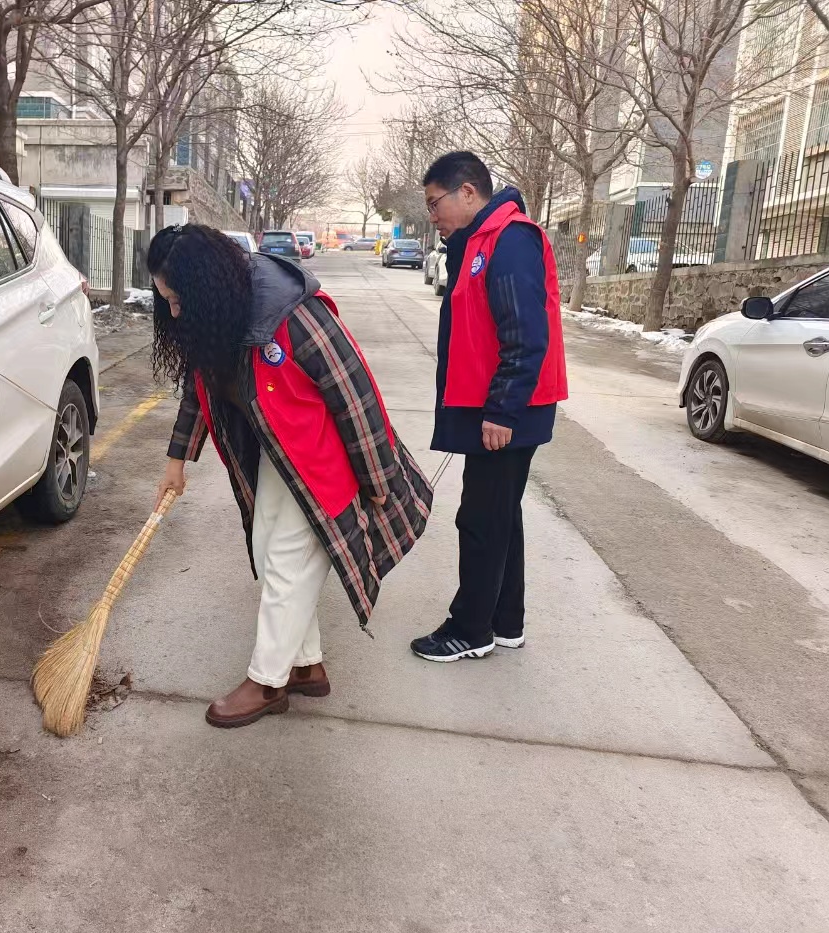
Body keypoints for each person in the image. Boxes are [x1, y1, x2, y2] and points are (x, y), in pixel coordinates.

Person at [151, 224, 435, 728]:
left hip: (324, 462)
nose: (174, 313)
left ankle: (267, 681)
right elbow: (200, 387)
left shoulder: (295, 316)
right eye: (167, 302)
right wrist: (177, 460)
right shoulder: (214, 314)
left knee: (287, 562)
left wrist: (378, 480)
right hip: (280, 456)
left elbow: (355, 396)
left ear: (206, 284)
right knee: (269, 553)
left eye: (177, 300)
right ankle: (306, 666)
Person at [410, 152, 568, 663]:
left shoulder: (509, 239)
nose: (433, 215)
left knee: (480, 519)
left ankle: (470, 629)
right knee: (501, 515)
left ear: (468, 192)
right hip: (495, 405)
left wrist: (502, 411)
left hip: (506, 410)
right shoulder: (480, 241)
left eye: (435, 203)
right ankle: (505, 622)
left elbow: (525, 334)